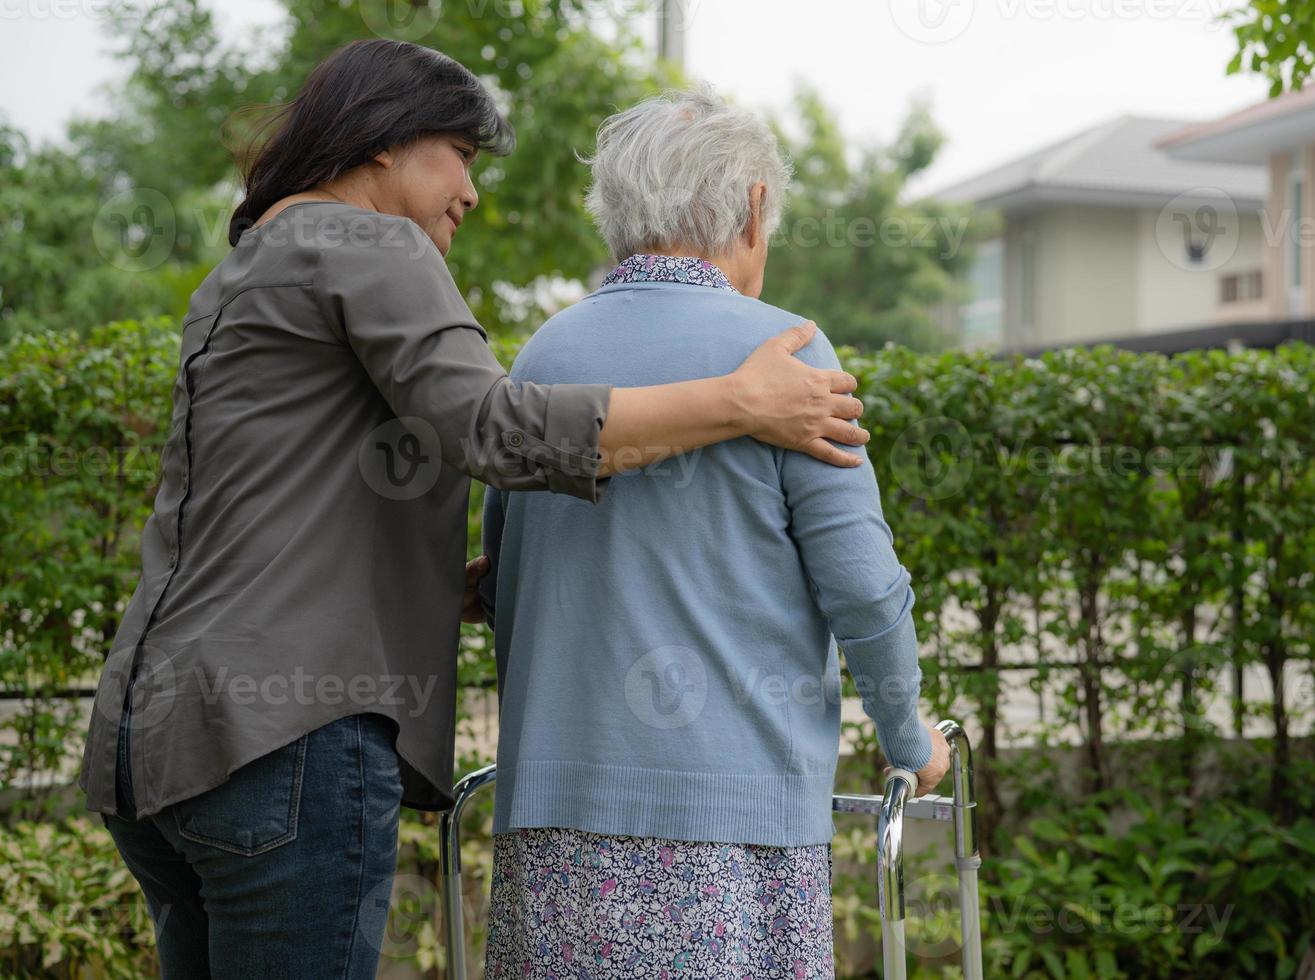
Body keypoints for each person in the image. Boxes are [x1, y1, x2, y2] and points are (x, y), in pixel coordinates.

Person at [77, 41, 869, 979]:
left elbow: (254, 519)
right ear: (385, 144)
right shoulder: (368, 240)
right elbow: (496, 429)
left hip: (157, 746)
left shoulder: (249, 268)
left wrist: (452, 586)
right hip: (285, 745)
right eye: (462, 154)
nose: (471, 191)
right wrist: (738, 401)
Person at [479, 87, 952, 979]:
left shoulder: (543, 357)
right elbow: (862, 586)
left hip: (553, 831)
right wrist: (906, 734)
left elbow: (507, 580)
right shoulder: (789, 356)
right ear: (755, 208)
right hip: (731, 839)